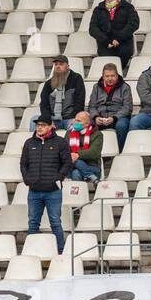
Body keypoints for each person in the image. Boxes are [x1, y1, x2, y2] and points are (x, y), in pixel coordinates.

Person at [21, 114, 72, 253]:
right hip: (34, 191)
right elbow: (23, 164)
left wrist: (58, 178)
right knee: (33, 224)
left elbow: (67, 163)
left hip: (53, 191)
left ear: (51, 126)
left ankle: (60, 251)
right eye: (38, 125)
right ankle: (30, 252)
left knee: (55, 223)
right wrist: (27, 180)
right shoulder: (29, 143)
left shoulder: (60, 142)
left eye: (43, 125)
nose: (40, 128)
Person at [89, 0, 140, 70]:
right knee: (108, 66)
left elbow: (133, 24)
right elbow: (93, 29)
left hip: (124, 43)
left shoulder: (128, 8)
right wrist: (106, 41)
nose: (109, 1)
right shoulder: (98, 10)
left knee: (121, 62)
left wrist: (118, 38)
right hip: (105, 45)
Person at [31, 55, 86, 132]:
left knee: (77, 126)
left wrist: (75, 118)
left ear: (68, 66)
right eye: (56, 64)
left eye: (61, 64)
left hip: (70, 118)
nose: (58, 66)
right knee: (34, 120)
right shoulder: (48, 83)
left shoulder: (76, 79)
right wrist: (48, 120)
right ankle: (36, 144)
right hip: (53, 119)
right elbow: (44, 104)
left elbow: (80, 102)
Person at [87, 63, 133, 149]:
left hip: (118, 118)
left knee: (122, 125)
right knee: (85, 123)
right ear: (103, 77)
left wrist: (114, 118)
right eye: (107, 76)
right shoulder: (96, 87)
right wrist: (96, 117)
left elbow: (127, 107)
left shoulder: (125, 87)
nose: (110, 79)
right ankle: (92, 151)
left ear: (117, 76)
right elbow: (92, 106)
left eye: (112, 76)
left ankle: (120, 150)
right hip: (100, 117)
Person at [65, 112, 103, 183]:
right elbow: (65, 150)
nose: (75, 123)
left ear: (87, 124)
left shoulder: (97, 134)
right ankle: (91, 176)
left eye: (79, 121)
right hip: (71, 166)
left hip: (92, 166)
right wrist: (75, 156)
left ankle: (79, 192)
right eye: (75, 120)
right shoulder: (69, 133)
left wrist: (77, 154)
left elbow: (94, 152)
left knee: (76, 172)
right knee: (74, 162)